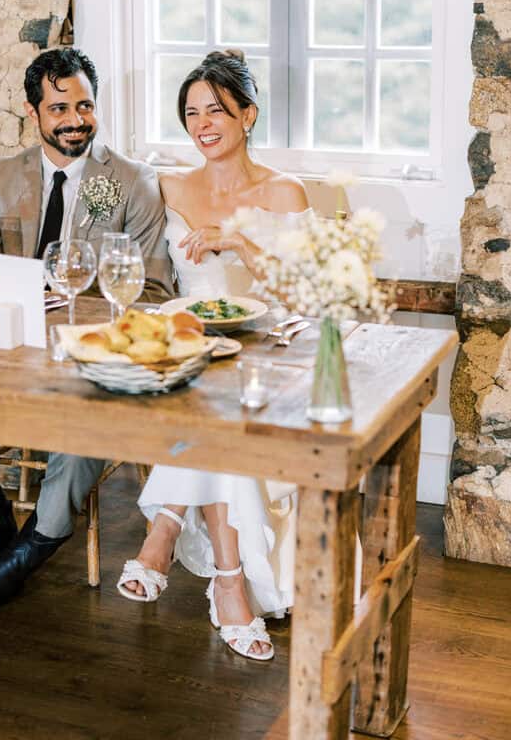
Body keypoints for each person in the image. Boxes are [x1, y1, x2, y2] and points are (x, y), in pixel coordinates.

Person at [0, 46, 174, 615]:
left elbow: (154, 289)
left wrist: (79, 305)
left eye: (85, 105)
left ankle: (36, 543)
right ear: (35, 113)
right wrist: (6, 287)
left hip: (88, 346)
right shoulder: (2, 176)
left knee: (82, 421)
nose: (75, 119)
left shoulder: (131, 181)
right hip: (8, 341)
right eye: (60, 108)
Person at [117, 50, 309, 662]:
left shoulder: (283, 191)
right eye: (192, 112)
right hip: (188, 345)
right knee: (206, 399)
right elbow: (133, 257)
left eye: (217, 111)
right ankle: (228, 586)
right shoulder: (168, 184)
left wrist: (243, 243)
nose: (203, 124)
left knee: (220, 411)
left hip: (268, 349)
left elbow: (303, 295)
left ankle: (165, 528)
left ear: (248, 115)